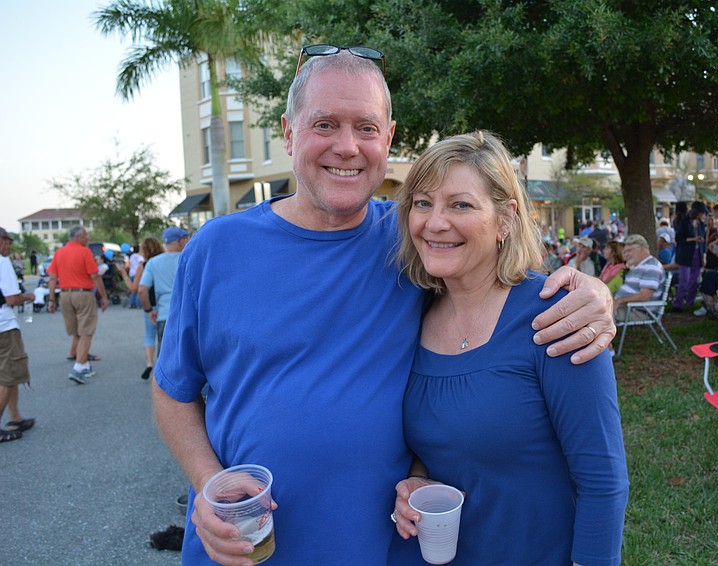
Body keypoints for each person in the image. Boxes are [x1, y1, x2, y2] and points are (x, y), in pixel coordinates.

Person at [151, 47, 617, 566]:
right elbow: (173, 391)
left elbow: (494, 270)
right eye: (325, 124)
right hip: (244, 547)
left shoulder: (412, 243)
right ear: (288, 132)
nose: (347, 147)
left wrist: (594, 293)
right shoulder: (216, 248)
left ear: (388, 137)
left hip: (375, 549)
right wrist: (206, 479)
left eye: (366, 128)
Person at [389, 131, 628, 564]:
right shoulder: (412, 310)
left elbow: (603, 480)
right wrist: (416, 478)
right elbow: (443, 439)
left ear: (505, 219)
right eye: (423, 203)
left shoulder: (556, 316)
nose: (435, 222)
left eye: (460, 204)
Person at [46, 226, 108, 384]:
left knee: (77, 332)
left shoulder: (59, 252)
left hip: (65, 295)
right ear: (79, 237)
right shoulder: (84, 252)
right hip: (83, 294)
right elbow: (95, 276)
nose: (88, 238)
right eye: (86, 235)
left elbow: (52, 278)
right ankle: (78, 367)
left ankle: (85, 364)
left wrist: (52, 300)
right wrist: (103, 296)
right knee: (86, 331)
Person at [0, 228, 36, 443]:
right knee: (10, 374)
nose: (8, 246)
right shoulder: (3, 263)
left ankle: (15, 416)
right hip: (4, 325)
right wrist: (28, 295)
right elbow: (12, 298)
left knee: (7, 374)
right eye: (6, 241)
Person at [115, 237, 165, 379]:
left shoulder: (144, 266)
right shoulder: (166, 261)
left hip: (150, 304)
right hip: (166, 304)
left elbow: (134, 288)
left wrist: (124, 274)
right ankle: (164, 367)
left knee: (150, 335)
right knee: (165, 336)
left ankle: (149, 363)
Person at [139, 228, 188, 355]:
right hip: (188, 316)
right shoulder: (189, 259)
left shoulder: (153, 262)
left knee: (164, 361)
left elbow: (142, 290)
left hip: (165, 315)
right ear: (180, 241)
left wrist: (149, 310)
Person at [612, 234, 666, 322]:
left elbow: (645, 296)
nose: (626, 255)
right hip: (626, 307)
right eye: (625, 251)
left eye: (629, 250)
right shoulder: (638, 266)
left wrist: (619, 300)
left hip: (637, 312)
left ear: (642, 249)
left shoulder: (651, 267)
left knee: (596, 313)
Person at [672, 201, 707, 312]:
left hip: (698, 254)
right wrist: (694, 239)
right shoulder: (685, 222)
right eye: (702, 212)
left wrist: (704, 255)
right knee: (684, 280)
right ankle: (678, 303)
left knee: (694, 281)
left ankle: (690, 301)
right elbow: (679, 239)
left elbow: (704, 242)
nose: (703, 215)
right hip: (685, 254)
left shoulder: (701, 224)